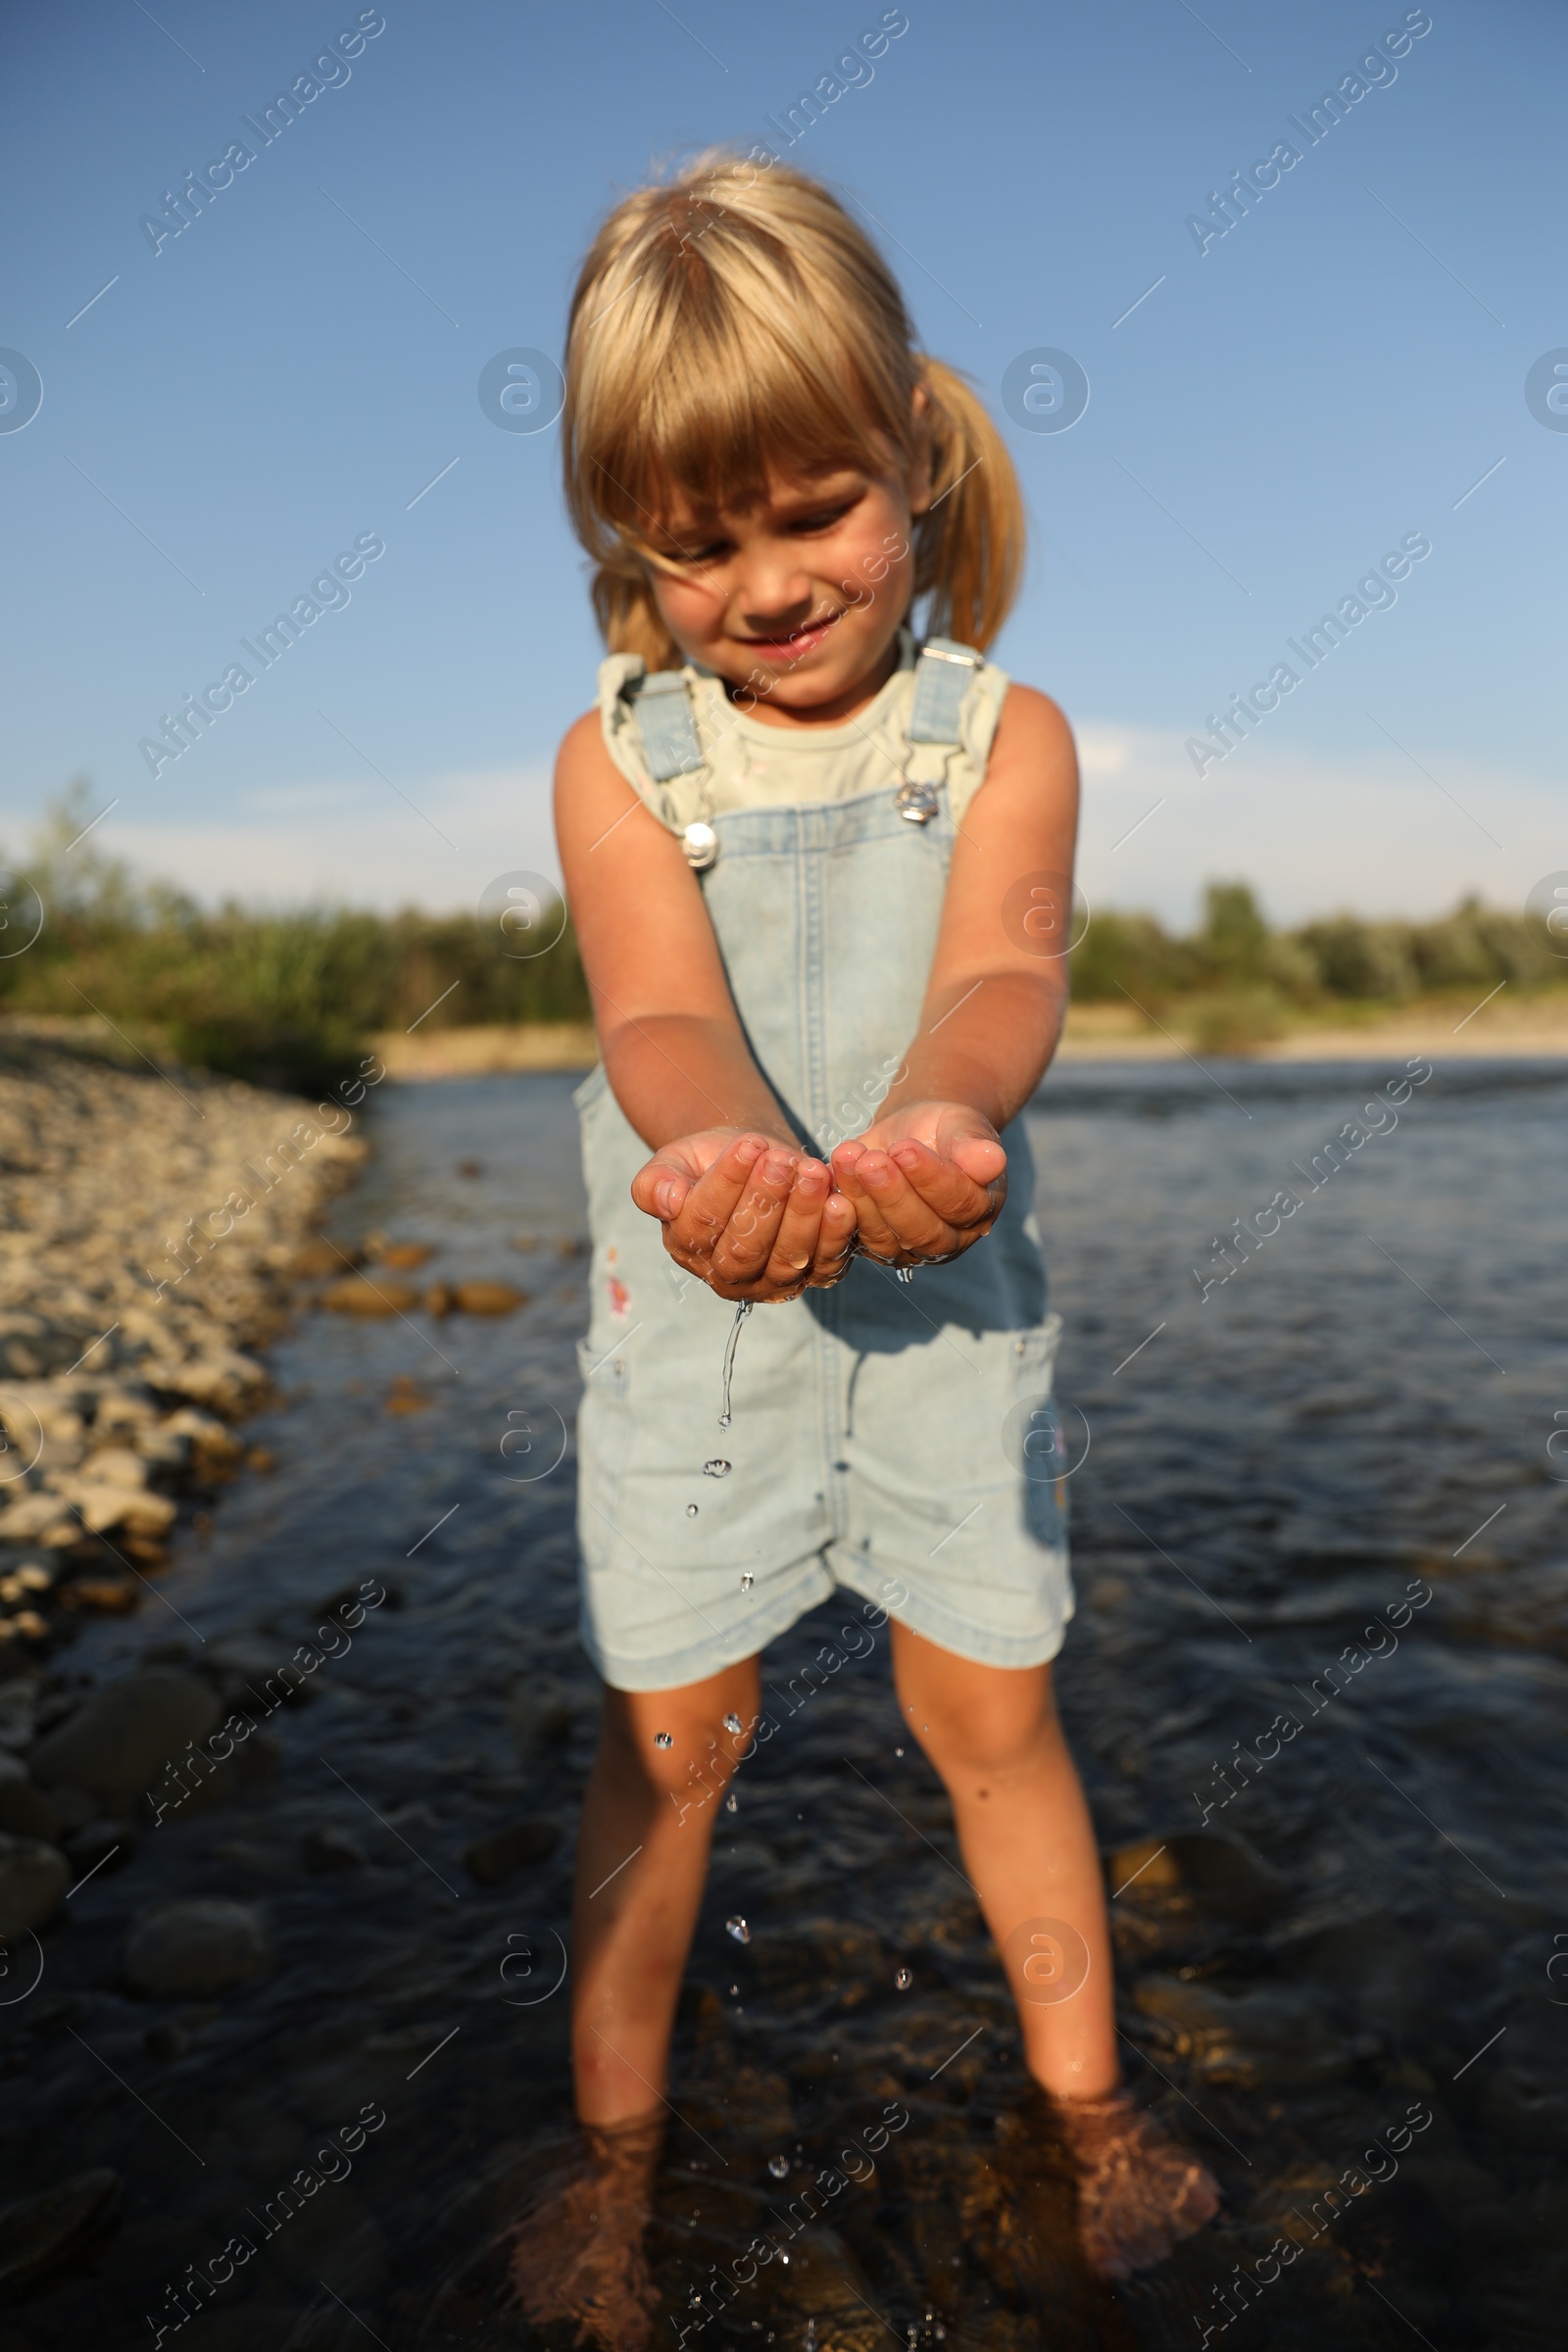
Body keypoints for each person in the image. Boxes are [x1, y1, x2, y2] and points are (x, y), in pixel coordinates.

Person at [513, 152, 1218, 2345]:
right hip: (689, 1327)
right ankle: (614, 2165)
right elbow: (656, 1014)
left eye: (810, 510)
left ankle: (1084, 2107)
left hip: (943, 1311)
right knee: (668, 1757)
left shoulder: (1004, 736)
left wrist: (939, 1114)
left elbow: (1001, 975)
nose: (765, 582)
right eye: (694, 541)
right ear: (628, 537)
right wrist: (725, 1160)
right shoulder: (615, 764)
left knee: (993, 1721)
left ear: (907, 452)